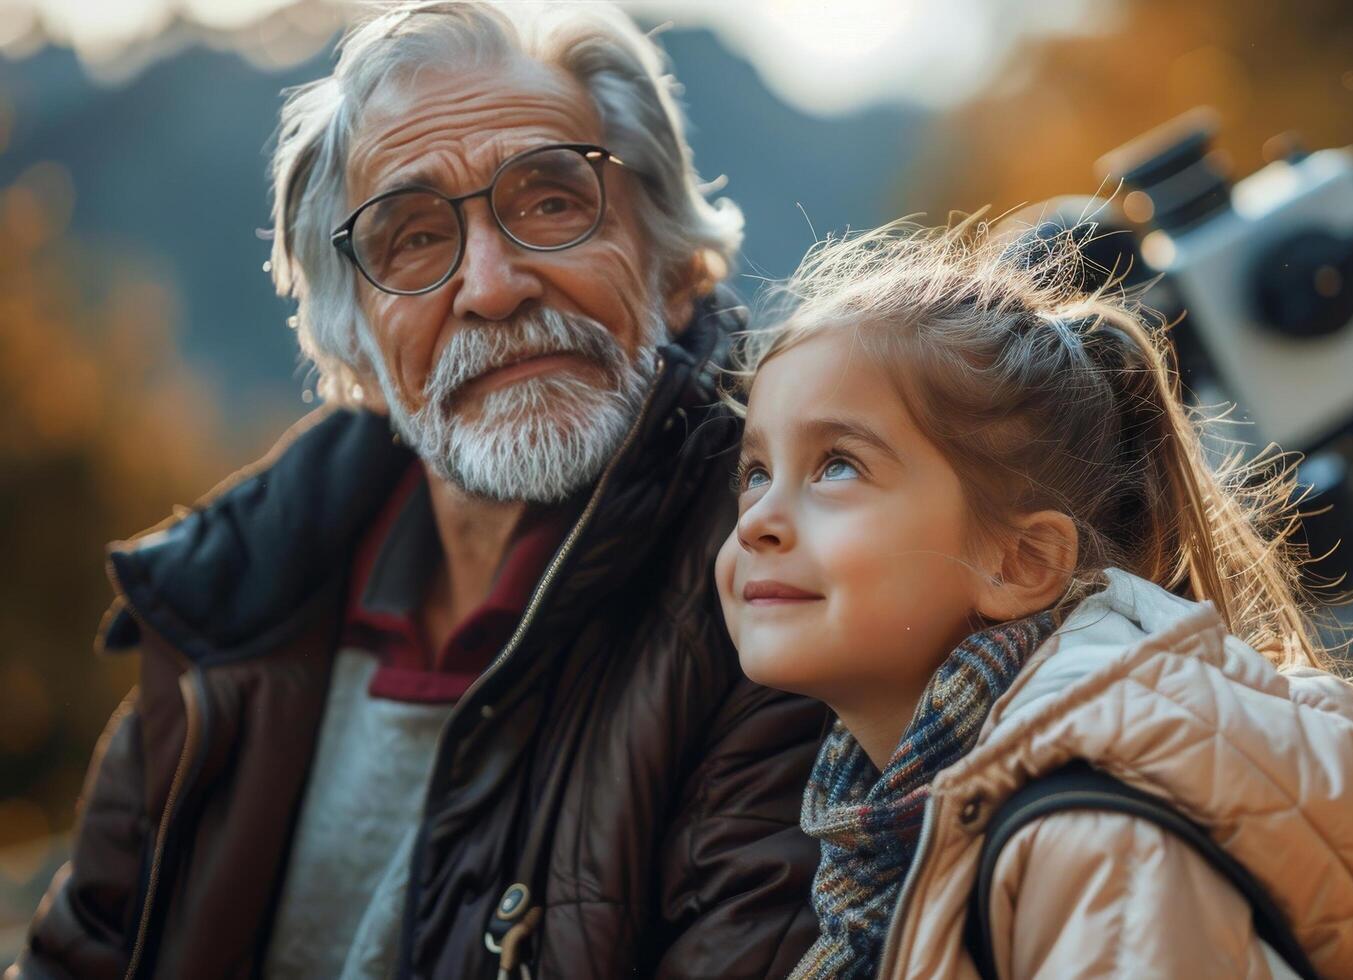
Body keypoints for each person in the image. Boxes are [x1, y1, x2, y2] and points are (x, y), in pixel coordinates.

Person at [9, 3, 824, 978]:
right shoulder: (227, 600)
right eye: (411, 239)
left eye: (554, 200)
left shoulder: (783, 588)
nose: (490, 284)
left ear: (676, 262)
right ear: (352, 344)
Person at [714, 219, 1353, 978]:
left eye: (837, 466)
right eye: (755, 473)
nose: (759, 523)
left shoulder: (1089, 837)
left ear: (1019, 563)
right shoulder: (896, 825)